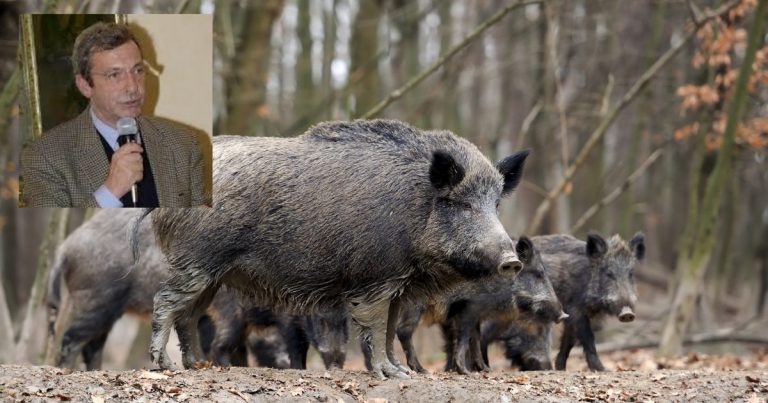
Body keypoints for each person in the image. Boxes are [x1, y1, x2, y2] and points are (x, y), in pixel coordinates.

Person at [20, 22, 208, 208]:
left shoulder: (184, 144)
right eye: (115, 75)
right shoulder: (45, 157)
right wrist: (111, 191)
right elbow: (51, 237)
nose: (133, 87)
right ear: (85, 85)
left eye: (138, 70)